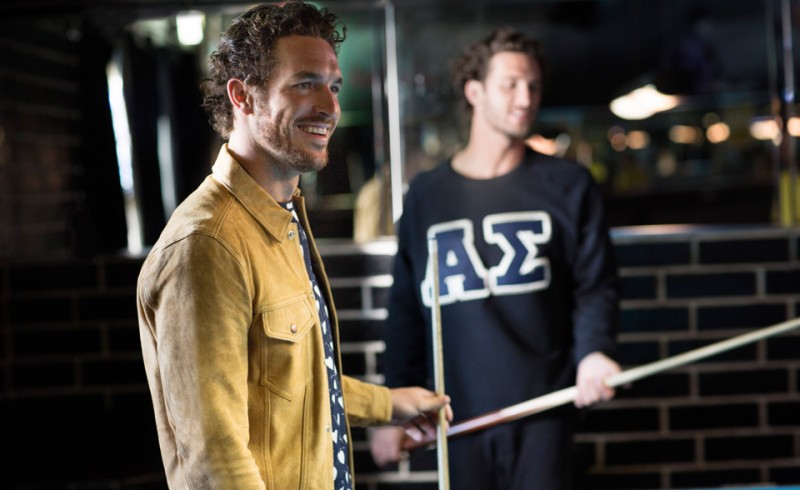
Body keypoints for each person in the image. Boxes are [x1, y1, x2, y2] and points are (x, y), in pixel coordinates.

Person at [136, 2, 451, 489]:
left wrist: (388, 405)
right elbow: (214, 460)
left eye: (333, 86)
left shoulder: (279, 217)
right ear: (243, 96)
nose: (329, 106)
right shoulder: (207, 245)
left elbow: (292, 380)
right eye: (304, 83)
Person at [369, 27, 621, 489]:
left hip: (545, 413)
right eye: (510, 85)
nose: (525, 98)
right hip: (457, 418)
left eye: (533, 86)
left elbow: (595, 285)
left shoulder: (568, 185)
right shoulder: (427, 196)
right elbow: (406, 312)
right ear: (475, 92)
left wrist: (594, 352)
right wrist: (392, 408)